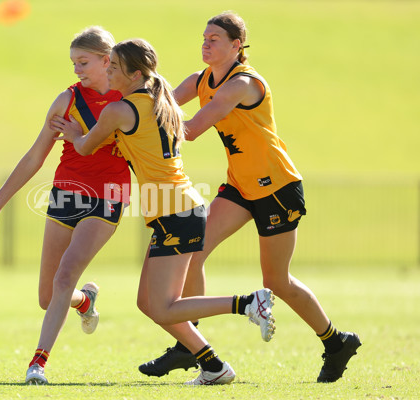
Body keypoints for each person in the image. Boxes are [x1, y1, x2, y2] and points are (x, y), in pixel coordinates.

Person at [138, 12, 361, 383]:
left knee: (277, 281)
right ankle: (188, 345)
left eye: (214, 39)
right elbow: (155, 111)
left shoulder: (242, 84)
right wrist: (128, 111)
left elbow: (189, 129)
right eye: (204, 38)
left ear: (236, 46)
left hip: (277, 188)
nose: (205, 43)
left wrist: (149, 107)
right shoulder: (200, 79)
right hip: (240, 186)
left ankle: (336, 341)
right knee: (194, 250)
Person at [51, 38, 275, 386]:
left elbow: (85, 146)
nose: (107, 71)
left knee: (163, 306)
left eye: (114, 68)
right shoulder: (160, 95)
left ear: (135, 73)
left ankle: (247, 303)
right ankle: (214, 367)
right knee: (149, 303)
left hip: (175, 212)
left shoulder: (119, 110)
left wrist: (75, 133)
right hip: (179, 209)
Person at [0, 26, 131, 385]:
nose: (76, 70)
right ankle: (85, 301)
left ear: (106, 60)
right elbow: (36, 155)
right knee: (47, 295)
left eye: (83, 62)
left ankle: (37, 363)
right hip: (66, 194)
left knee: (65, 274)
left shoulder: (130, 95)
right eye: (73, 63)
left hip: (109, 195)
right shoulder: (66, 101)